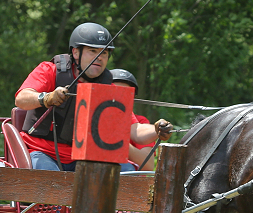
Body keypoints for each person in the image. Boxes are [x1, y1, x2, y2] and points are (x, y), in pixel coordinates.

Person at [14, 22, 172, 171]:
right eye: (93, 51)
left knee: (126, 171)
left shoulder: (108, 88)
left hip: (85, 158)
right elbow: (22, 98)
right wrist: (47, 98)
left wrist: (156, 129)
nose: (100, 57)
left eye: (104, 53)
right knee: (51, 179)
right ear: (76, 52)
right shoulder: (50, 70)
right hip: (42, 152)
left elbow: (134, 130)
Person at [111, 68, 157, 171]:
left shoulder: (140, 121)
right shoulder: (93, 115)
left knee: (125, 169)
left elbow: (148, 166)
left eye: (125, 94)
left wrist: (117, 143)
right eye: (115, 92)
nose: (119, 98)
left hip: (129, 176)